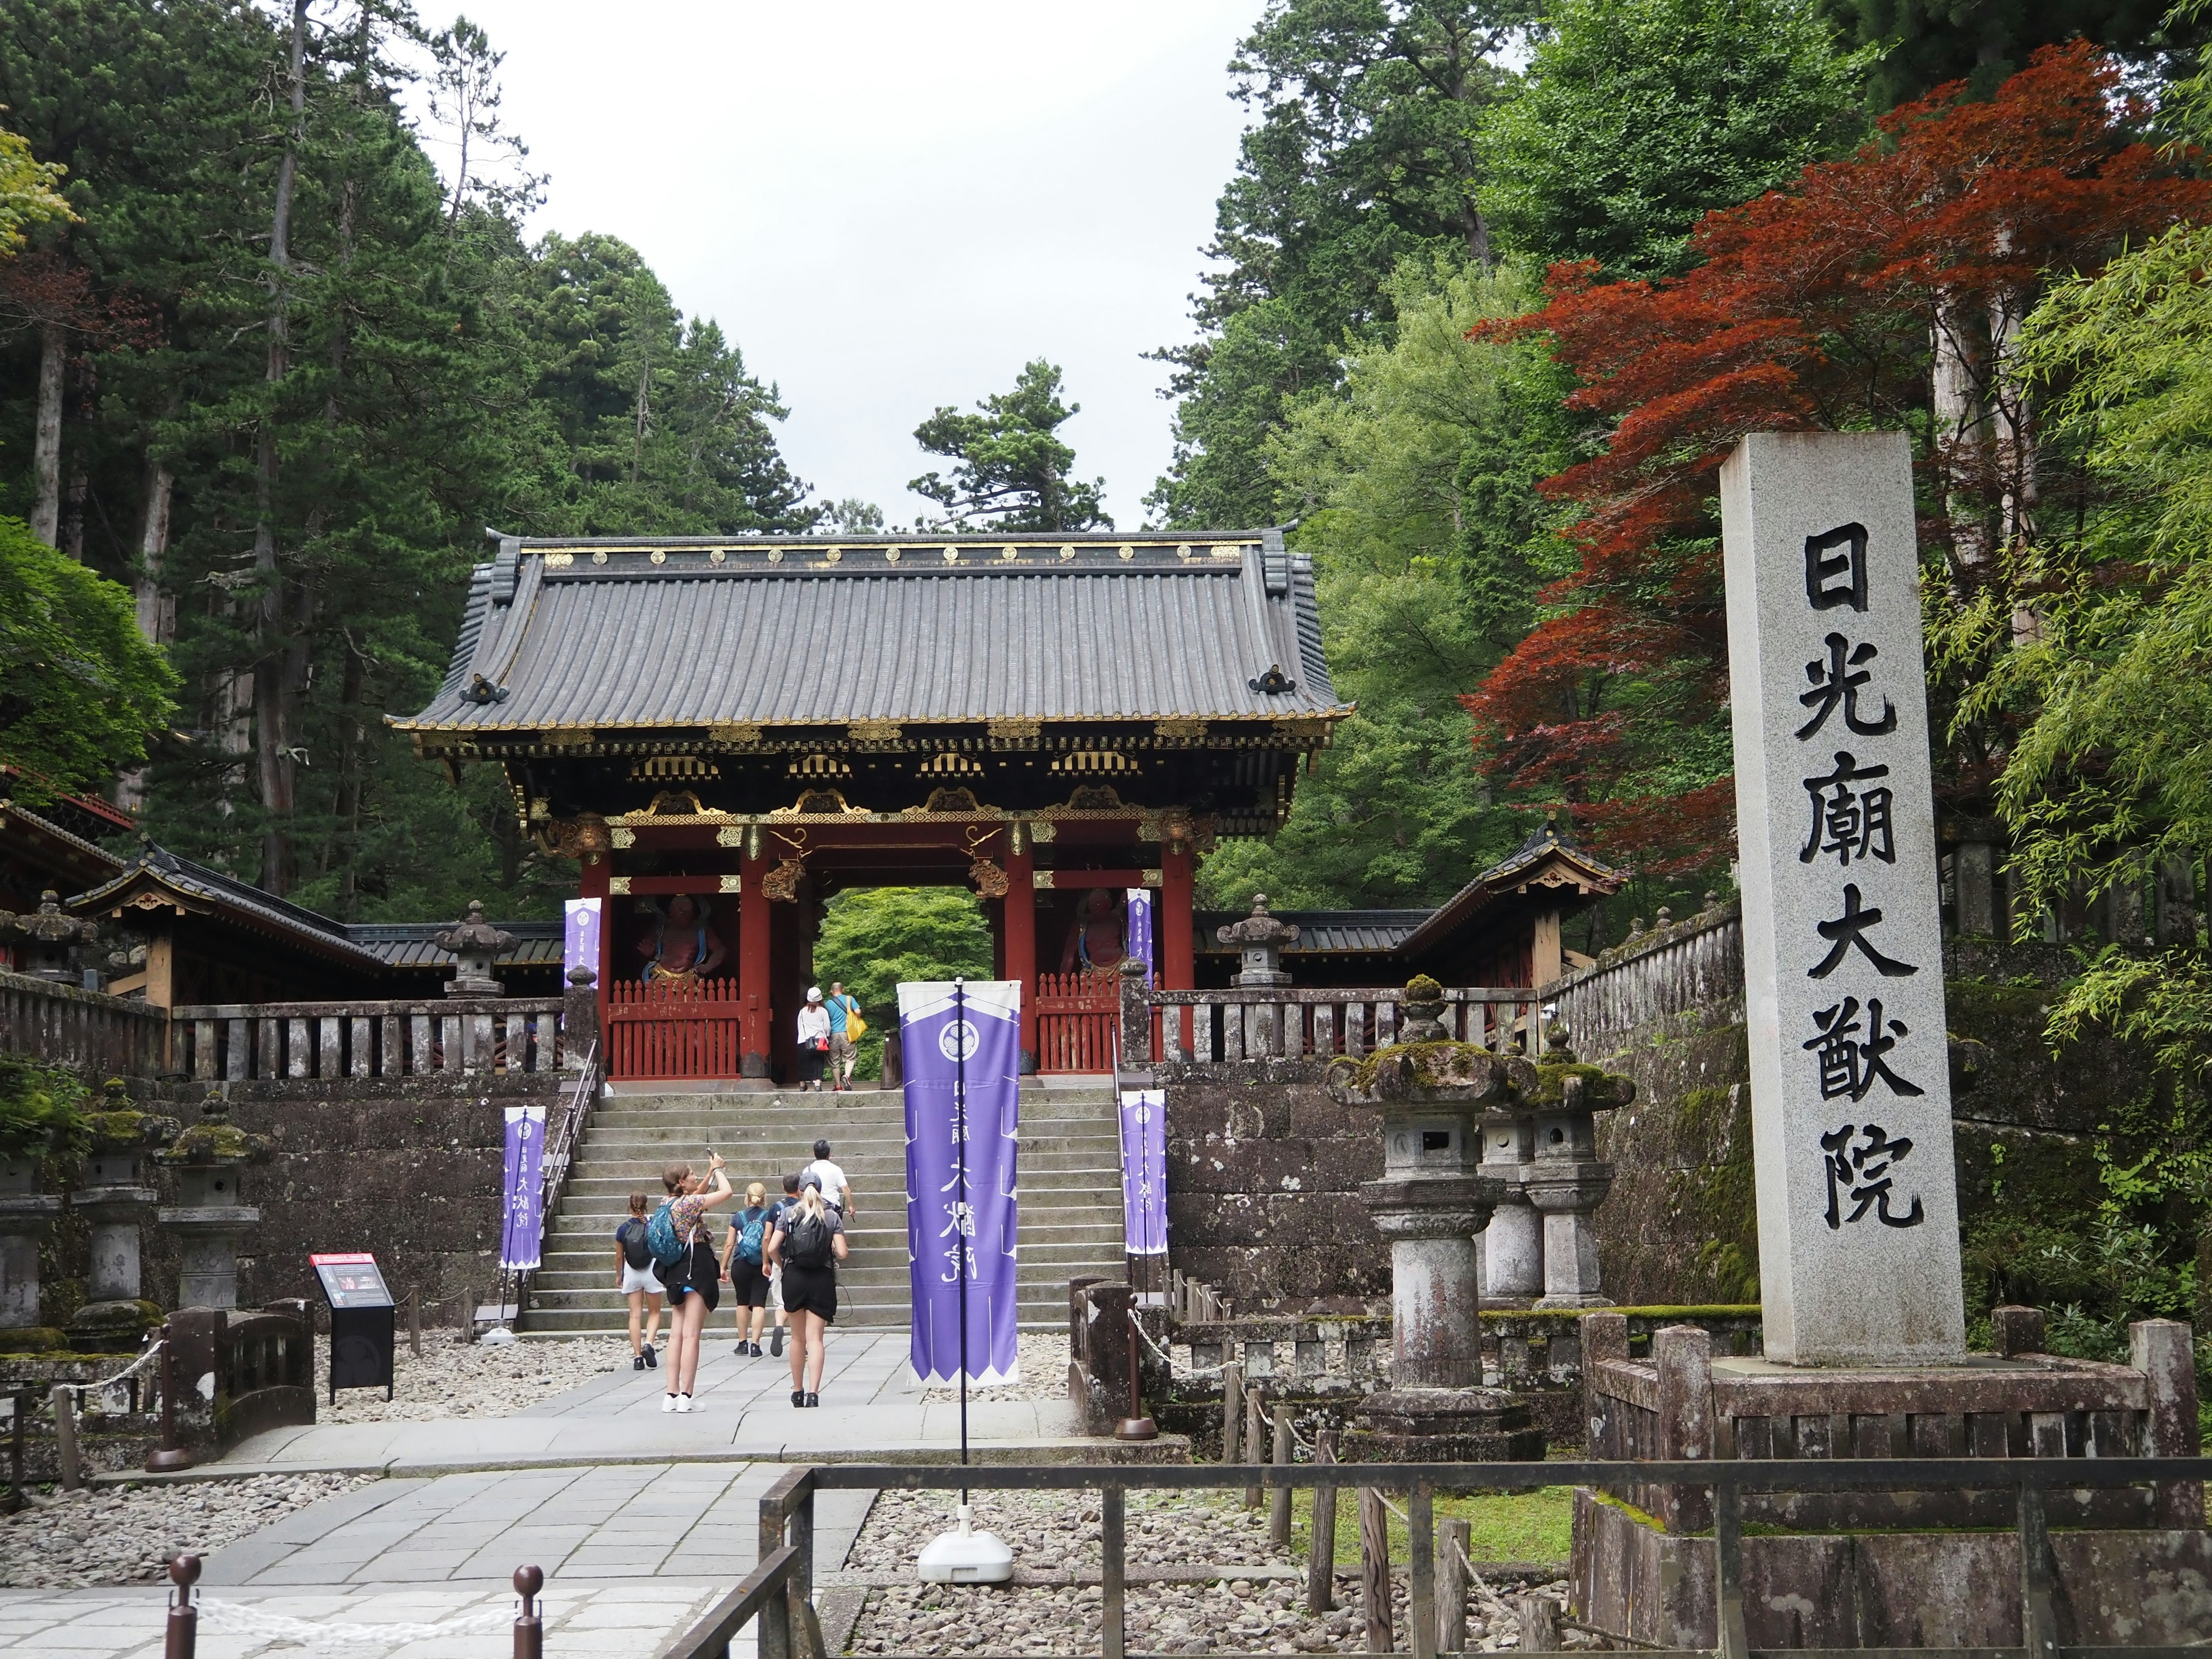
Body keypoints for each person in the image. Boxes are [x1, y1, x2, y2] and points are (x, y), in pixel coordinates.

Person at [654, 1153, 734, 1412]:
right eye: (692, 1175)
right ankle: (687, 1396)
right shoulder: (687, 1206)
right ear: (681, 1181)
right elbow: (727, 1193)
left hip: (675, 1269)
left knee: (676, 1334)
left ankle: (671, 1395)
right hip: (695, 1267)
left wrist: (710, 1172)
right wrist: (720, 1171)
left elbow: (697, 1196)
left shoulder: (667, 1203)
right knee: (691, 1336)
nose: (696, 1177)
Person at [767, 1178, 847, 1407]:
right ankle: (814, 1393)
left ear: (799, 1191)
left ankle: (797, 1390)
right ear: (821, 1191)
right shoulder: (831, 1216)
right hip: (821, 1278)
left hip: (794, 1277)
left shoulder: (788, 1214)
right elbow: (842, 1252)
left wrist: (783, 1266)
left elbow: (772, 1247)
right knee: (815, 1339)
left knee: (797, 1338)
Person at [723, 1181, 774, 1357]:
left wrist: (723, 1266)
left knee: (742, 1302)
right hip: (762, 1263)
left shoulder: (738, 1217)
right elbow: (770, 1239)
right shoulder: (769, 1217)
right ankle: (756, 1345)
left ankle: (742, 1343)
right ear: (763, 1198)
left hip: (740, 1263)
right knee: (759, 1303)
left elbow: (730, 1243)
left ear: (747, 1197)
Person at [613, 1192, 662, 1370]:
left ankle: (638, 1357)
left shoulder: (623, 1229)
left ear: (630, 1205)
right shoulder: (652, 1225)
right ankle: (649, 1343)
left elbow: (619, 1257)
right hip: (651, 1270)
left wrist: (619, 1275)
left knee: (635, 1315)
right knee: (655, 1311)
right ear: (646, 1205)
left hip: (632, 1271)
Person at [637, 893, 726, 982]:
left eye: (686, 915)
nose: (683, 918)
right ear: (671, 912)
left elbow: (720, 949)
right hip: (661, 976)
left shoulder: (701, 929)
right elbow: (646, 947)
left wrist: (708, 966)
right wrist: (650, 954)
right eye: (679, 916)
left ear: (692, 913)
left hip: (688, 978)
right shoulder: (661, 927)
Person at [764, 1171, 801, 1358]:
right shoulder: (807, 1207)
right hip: (802, 1260)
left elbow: (767, 1237)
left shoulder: (776, 1208)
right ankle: (802, 1342)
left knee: (781, 1301)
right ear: (800, 1188)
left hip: (782, 1258)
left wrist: (768, 1262)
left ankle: (779, 1326)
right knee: (801, 1305)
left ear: (783, 1187)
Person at [825, 982, 862, 1093]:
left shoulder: (828, 1004)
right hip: (848, 1033)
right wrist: (856, 1016)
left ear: (832, 991)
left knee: (835, 1062)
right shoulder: (849, 999)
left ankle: (838, 1086)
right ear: (843, 989)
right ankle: (846, 1076)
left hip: (833, 1034)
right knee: (850, 1058)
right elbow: (858, 1011)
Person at [804, 1138, 853, 1219]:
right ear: (829, 1154)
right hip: (833, 1209)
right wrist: (851, 1206)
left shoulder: (807, 1170)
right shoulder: (836, 1169)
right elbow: (845, 1188)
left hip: (814, 1209)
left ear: (814, 1153)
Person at [795, 986, 831, 1091]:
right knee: (818, 1061)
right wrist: (826, 1035)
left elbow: (799, 1026)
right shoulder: (823, 1011)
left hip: (804, 1040)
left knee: (803, 1062)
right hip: (820, 1040)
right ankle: (818, 1084)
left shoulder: (802, 1011)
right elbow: (827, 1027)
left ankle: (802, 1084)